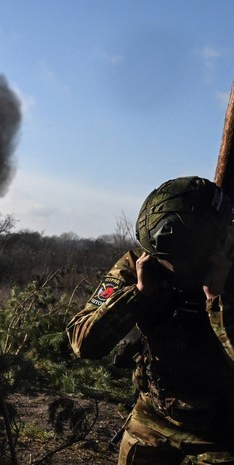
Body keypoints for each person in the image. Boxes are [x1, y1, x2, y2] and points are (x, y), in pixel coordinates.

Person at [67, 176, 234, 464]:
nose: (170, 267)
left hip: (224, 426)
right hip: (155, 411)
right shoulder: (143, 263)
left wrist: (218, 300)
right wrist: (138, 294)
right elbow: (82, 342)